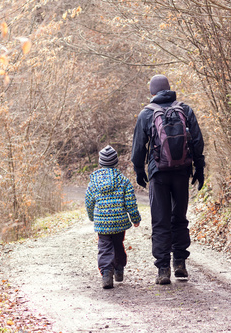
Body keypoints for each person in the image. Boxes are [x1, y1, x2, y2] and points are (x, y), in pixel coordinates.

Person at [131, 74, 205, 285]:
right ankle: (180, 263)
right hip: (182, 171)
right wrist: (199, 169)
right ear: (169, 89)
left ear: (153, 92)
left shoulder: (146, 113)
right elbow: (197, 142)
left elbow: (138, 147)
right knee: (179, 218)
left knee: (160, 220)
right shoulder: (185, 109)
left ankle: (163, 269)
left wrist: (139, 170)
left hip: (158, 174)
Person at [85, 145, 141, 289]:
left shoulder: (94, 182)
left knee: (104, 247)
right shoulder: (123, 181)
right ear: (116, 162)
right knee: (118, 244)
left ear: (100, 162)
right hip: (119, 222)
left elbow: (89, 202)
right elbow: (130, 202)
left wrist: (92, 217)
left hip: (102, 222)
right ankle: (119, 269)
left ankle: (106, 274)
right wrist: (135, 218)